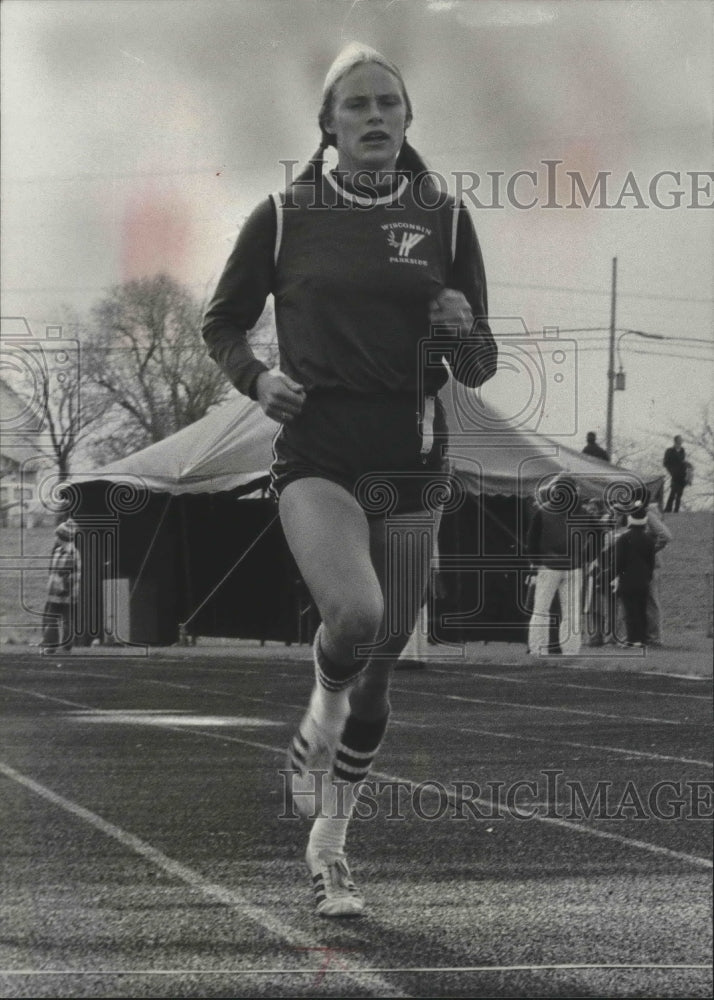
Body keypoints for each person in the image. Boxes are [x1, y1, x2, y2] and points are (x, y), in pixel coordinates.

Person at [202, 42, 497, 918]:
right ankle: (315, 724)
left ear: (408, 124)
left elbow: (476, 366)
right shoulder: (285, 217)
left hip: (411, 464)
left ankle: (330, 847)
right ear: (327, 125)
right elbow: (222, 321)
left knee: (382, 672)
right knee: (357, 620)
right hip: (317, 456)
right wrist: (257, 379)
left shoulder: (444, 218)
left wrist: (463, 325)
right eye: (357, 105)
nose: (374, 117)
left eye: (389, 106)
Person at [525, 475, 585, 657]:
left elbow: (532, 542)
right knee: (571, 612)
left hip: (548, 566)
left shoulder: (542, 512)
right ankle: (571, 650)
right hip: (573, 566)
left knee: (541, 610)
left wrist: (535, 566)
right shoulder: (580, 511)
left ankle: (537, 649)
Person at [611, 502, 656, 646]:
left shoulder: (624, 538)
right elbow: (651, 562)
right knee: (641, 610)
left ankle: (632, 639)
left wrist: (614, 575)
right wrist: (648, 576)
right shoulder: (649, 539)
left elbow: (618, 560)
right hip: (643, 580)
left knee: (630, 611)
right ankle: (642, 638)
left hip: (627, 579)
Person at [41, 518, 81, 653]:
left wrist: (64, 586)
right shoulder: (58, 551)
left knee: (57, 618)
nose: (55, 538)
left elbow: (73, 574)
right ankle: (63, 644)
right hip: (56, 592)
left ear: (62, 537)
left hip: (64, 592)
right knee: (62, 618)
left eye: (57, 536)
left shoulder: (72, 553)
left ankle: (54, 644)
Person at [663, 435, 687, 512]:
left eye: (682, 440)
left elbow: (682, 462)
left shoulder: (682, 450)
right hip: (674, 474)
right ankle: (668, 509)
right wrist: (671, 471)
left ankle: (676, 510)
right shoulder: (669, 451)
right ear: (676, 441)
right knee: (673, 492)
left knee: (680, 493)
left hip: (682, 474)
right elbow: (665, 463)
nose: (681, 441)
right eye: (680, 440)